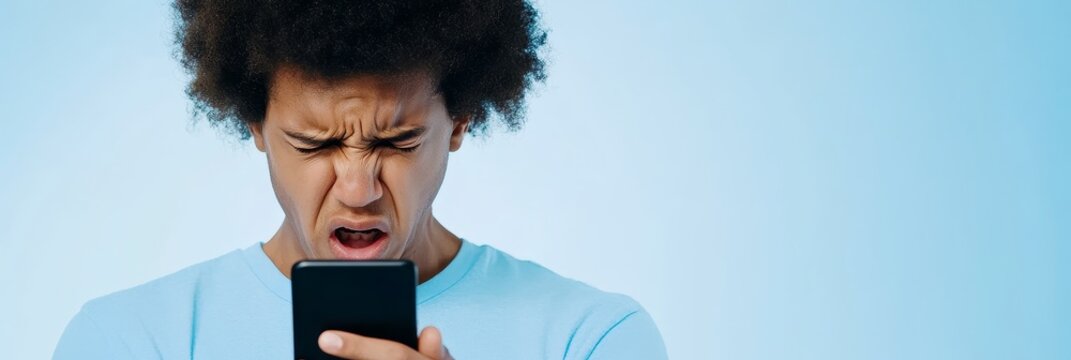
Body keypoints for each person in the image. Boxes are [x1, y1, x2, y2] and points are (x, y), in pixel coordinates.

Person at [53, 0, 668, 359]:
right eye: (315, 143)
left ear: (460, 121)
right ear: (255, 125)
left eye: (397, 141)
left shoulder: (588, 339)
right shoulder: (130, 340)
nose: (357, 189)